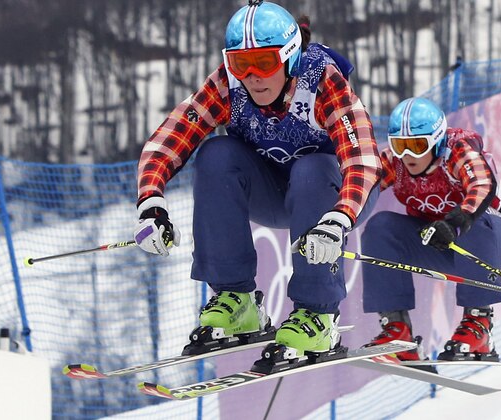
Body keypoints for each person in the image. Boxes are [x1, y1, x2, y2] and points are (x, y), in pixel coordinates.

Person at [133, 0, 381, 359]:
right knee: (216, 154)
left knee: (311, 168)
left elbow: (362, 159)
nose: (252, 75)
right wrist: (150, 201)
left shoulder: (321, 81)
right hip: (274, 193)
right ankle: (238, 300)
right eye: (240, 63)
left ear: (290, 57)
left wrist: (339, 218)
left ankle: (317, 314)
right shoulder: (228, 85)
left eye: (265, 63)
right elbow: (169, 138)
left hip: (337, 193)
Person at [362, 97, 501, 362]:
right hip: (437, 243)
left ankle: (478, 325)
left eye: (417, 145)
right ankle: (397, 330)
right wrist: (334, 222)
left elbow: (482, 185)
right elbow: (362, 187)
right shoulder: (397, 161)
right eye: (400, 145)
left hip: (490, 238)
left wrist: (454, 222)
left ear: (436, 140)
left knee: (476, 225)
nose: (407, 155)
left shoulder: (457, 149)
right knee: (380, 227)